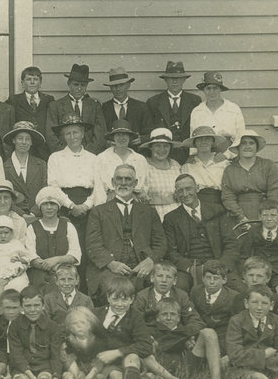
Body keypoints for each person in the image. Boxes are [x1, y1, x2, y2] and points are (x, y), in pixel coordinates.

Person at [85, 165, 167, 301]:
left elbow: (161, 243)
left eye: (128, 179)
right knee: (115, 288)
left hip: (142, 265)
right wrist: (111, 263)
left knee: (156, 286)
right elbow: (93, 245)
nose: (123, 183)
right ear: (112, 182)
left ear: (135, 183)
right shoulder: (98, 212)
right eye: (119, 179)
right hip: (109, 268)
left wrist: (150, 260)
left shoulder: (149, 212)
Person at [46, 115, 107, 269]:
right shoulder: (56, 158)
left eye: (76, 132)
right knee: (66, 245)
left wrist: (86, 206)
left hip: (88, 207)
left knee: (88, 245)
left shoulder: (94, 159)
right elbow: (53, 186)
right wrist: (71, 206)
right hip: (64, 206)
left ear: (83, 133)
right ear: (63, 136)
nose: (72, 137)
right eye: (68, 133)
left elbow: (98, 187)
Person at [164, 174, 241, 292]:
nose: (185, 194)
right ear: (176, 193)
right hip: (189, 269)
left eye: (188, 189)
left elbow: (231, 243)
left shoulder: (217, 210)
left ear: (197, 188)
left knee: (239, 289)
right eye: (180, 191)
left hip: (218, 264)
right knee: (178, 288)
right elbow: (171, 251)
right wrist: (189, 268)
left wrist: (221, 266)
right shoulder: (171, 218)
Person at [92, 275, 153, 379]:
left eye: (125, 300)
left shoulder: (135, 317)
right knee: (115, 377)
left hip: (128, 360)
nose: (120, 304)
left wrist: (118, 352)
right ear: (108, 298)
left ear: (132, 299)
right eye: (115, 299)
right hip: (107, 364)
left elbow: (145, 345)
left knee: (132, 356)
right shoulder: (97, 314)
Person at [140, 297, 208, 379]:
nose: (168, 318)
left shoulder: (185, 331)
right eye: (164, 314)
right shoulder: (152, 330)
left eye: (172, 314)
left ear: (179, 318)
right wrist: (181, 341)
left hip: (184, 367)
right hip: (163, 367)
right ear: (157, 318)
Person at [239, 200, 278, 300]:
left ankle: (277, 314)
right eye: (265, 215)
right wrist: (243, 276)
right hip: (258, 271)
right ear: (259, 216)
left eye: (273, 215)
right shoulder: (253, 232)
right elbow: (243, 256)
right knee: (254, 291)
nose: (269, 219)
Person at [26, 187, 82, 290]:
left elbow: (75, 254)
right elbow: (31, 257)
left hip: (65, 272)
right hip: (39, 274)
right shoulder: (32, 228)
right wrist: (49, 266)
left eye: (52, 204)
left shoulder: (68, 226)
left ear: (58, 207)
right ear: (40, 207)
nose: (49, 207)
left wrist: (57, 261)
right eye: (45, 204)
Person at [221, 129, 278, 223]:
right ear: (238, 147)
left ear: (256, 147)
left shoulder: (268, 165)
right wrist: (240, 217)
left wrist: (266, 214)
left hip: (265, 211)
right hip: (238, 214)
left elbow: (274, 192)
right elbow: (228, 197)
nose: (247, 146)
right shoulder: (230, 170)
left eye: (251, 143)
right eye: (243, 143)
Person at [8, 286, 62, 379]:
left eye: (36, 305)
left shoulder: (53, 327)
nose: (32, 310)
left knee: (45, 377)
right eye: (28, 306)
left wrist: (56, 377)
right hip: (22, 367)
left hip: (44, 366)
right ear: (21, 308)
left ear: (43, 306)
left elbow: (55, 355)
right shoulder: (15, 326)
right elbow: (16, 354)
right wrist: (32, 377)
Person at [146, 61, 201, 164]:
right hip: (163, 154)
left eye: (178, 78)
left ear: (184, 80)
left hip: (188, 155)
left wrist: (193, 153)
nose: (174, 82)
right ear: (165, 80)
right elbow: (150, 129)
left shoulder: (195, 101)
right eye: (171, 78)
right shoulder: (153, 102)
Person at [46, 63, 107, 153]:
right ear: (69, 84)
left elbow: (100, 134)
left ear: (86, 86)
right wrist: (65, 154)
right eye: (76, 84)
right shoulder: (55, 106)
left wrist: (87, 153)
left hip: (89, 154)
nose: (79, 88)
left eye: (83, 85)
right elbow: (50, 134)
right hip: (64, 154)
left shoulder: (94, 105)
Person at [0, 216, 39, 306]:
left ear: (11, 233)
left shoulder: (16, 244)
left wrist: (20, 259)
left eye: (6, 233)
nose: (3, 236)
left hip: (8, 268)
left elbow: (27, 257)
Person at [189, 260, 243, 355]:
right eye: (208, 278)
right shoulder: (196, 291)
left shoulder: (233, 297)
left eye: (216, 278)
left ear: (224, 280)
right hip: (200, 333)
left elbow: (235, 324)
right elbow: (193, 315)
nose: (212, 282)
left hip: (222, 336)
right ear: (203, 278)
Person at [179, 126, 231, 216]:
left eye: (207, 139)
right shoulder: (188, 166)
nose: (203, 142)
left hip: (221, 204)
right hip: (197, 206)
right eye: (199, 139)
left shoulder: (223, 164)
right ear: (194, 143)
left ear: (212, 142)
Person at [5, 66, 54, 159]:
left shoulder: (48, 99)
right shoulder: (14, 100)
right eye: (28, 79)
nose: (32, 82)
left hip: (44, 148)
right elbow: (1, 109)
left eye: (35, 79)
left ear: (40, 83)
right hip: (23, 147)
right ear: (22, 83)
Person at [2, 121, 48, 217]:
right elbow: (3, 194)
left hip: (37, 216)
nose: (23, 142)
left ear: (31, 142)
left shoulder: (41, 165)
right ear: (14, 140)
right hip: (12, 216)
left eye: (27, 139)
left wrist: (34, 212)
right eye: (20, 138)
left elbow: (45, 190)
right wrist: (21, 214)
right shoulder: (4, 166)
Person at [189, 71, 245, 148]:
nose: (212, 92)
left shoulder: (233, 109)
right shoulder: (197, 111)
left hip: (229, 155)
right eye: (208, 88)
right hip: (204, 155)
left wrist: (227, 155)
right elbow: (193, 139)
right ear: (203, 90)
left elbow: (240, 137)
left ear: (220, 89)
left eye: (215, 88)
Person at [97, 120, 149, 200]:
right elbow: (99, 188)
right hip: (109, 202)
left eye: (125, 135)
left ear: (129, 137)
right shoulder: (102, 158)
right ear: (113, 137)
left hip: (134, 201)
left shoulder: (140, 159)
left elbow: (145, 186)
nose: (121, 138)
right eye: (118, 135)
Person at [140, 128, 183, 220]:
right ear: (151, 147)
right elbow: (140, 192)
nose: (162, 149)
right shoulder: (143, 165)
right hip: (153, 214)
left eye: (166, 146)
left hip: (176, 212)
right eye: (158, 146)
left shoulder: (176, 165)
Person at [60, 306, 107, 379]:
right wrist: (78, 374)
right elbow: (70, 361)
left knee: (99, 377)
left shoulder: (97, 342)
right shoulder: (68, 342)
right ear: (70, 327)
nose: (79, 326)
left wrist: (87, 378)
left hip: (92, 371)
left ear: (89, 325)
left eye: (82, 322)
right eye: (74, 323)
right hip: (76, 370)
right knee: (67, 375)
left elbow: (98, 363)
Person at [101, 67, 151, 138]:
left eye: (121, 85)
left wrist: (142, 139)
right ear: (110, 88)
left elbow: (149, 131)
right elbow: (101, 132)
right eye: (114, 86)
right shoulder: (104, 108)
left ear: (128, 85)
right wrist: (107, 142)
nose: (118, 89)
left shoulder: (141, 107)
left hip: (136, 148)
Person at [42, 263, 94, 327]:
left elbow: (90, 323)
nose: (66, 283)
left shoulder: (86, 300)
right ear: (56, 281)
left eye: (70, 279)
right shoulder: (49, 299)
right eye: (62, 279)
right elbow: (46, 323)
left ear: (77, 280)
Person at [0, 289, 22, 379]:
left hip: (19, 353)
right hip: (1, 352)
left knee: (17, 361)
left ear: (21, 307)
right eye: (7, 308)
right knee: (0, 364)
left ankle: (9, 378)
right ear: (1, 307)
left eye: (14, 308)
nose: (11, 312)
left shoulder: (24, 322)